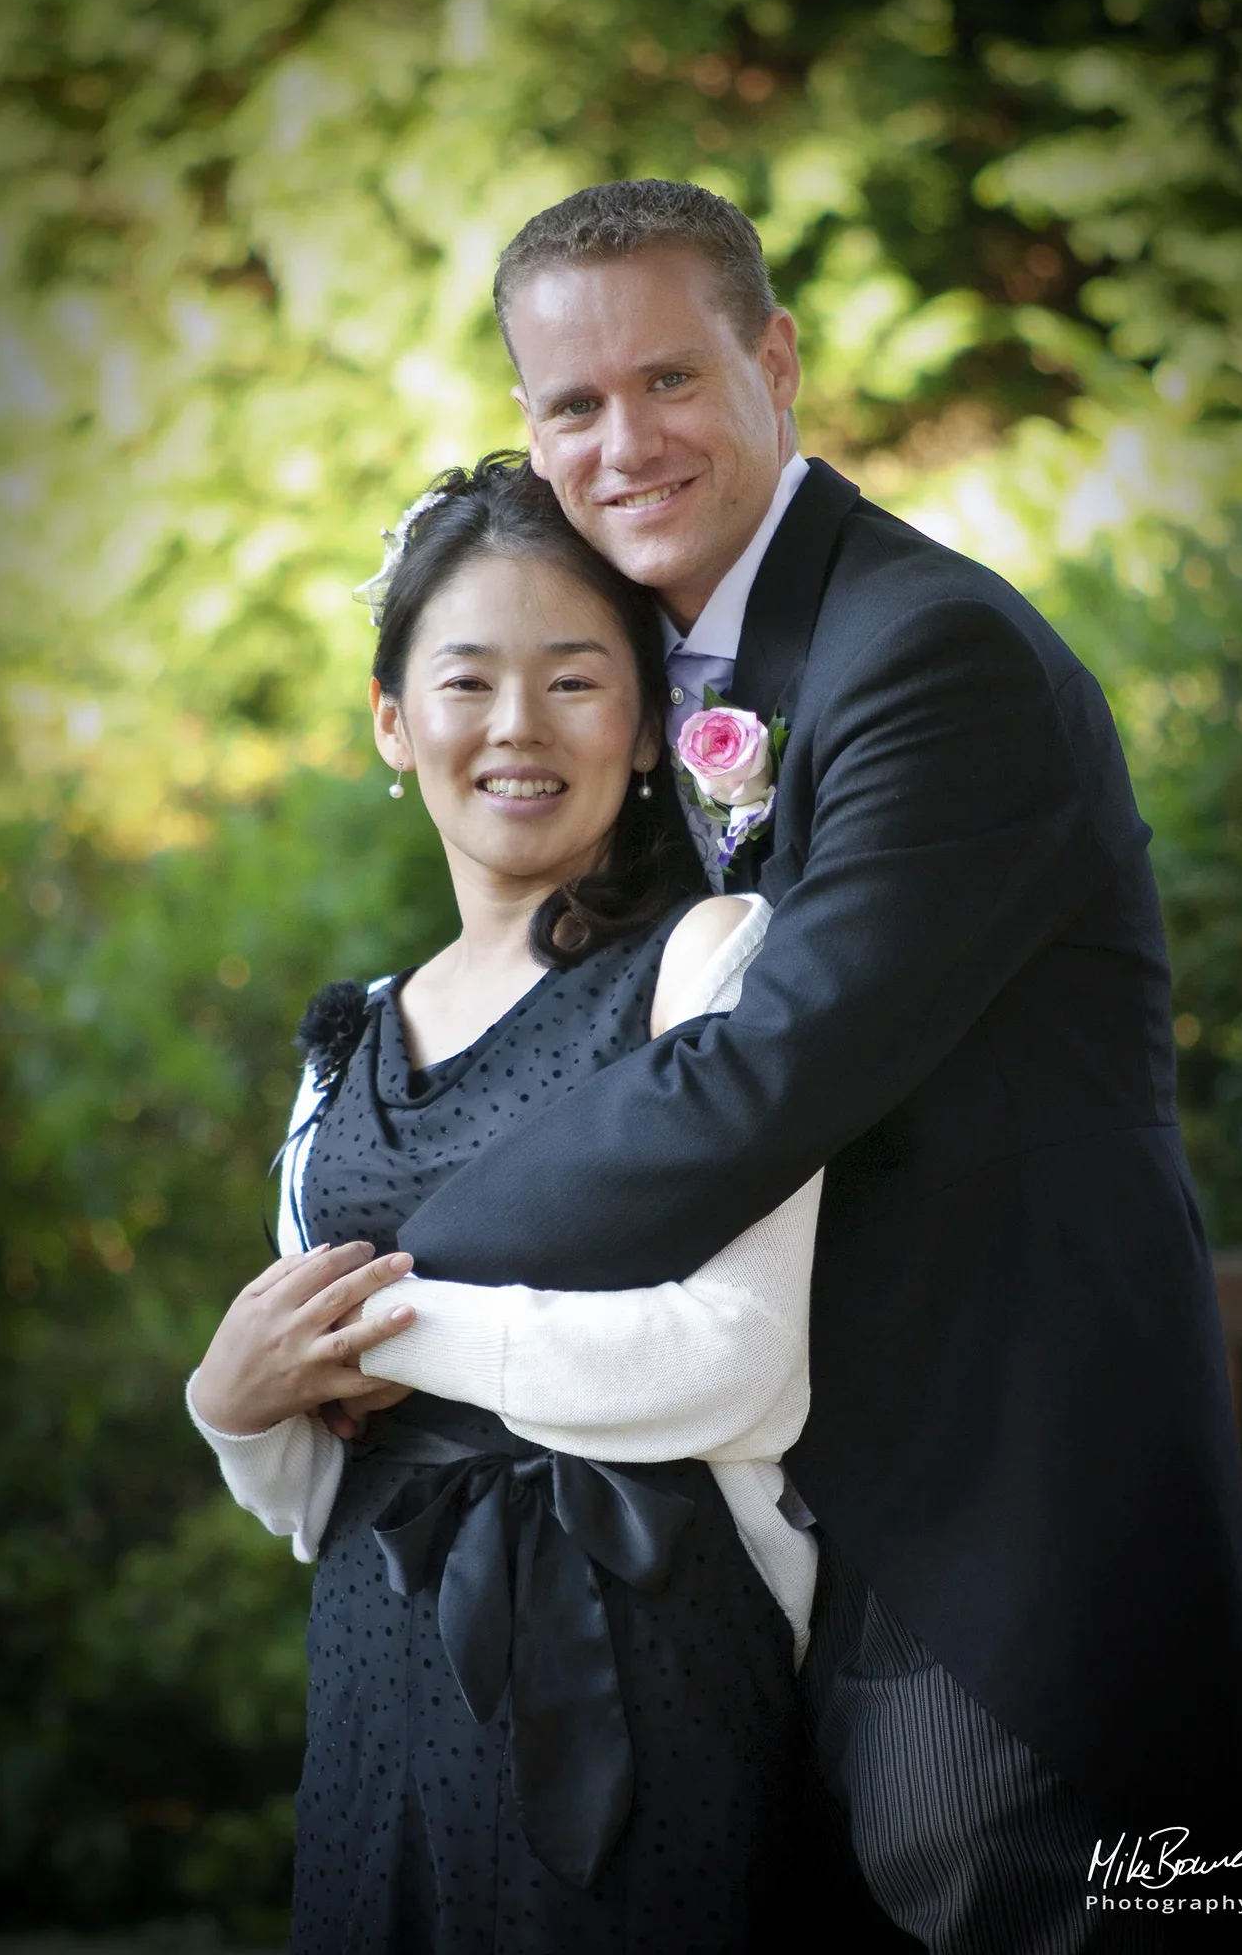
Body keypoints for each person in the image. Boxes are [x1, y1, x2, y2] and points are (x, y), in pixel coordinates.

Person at [345, 181, 1242, 1949]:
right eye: (572, 404)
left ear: (775, 361)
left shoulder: (930, 658)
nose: (623, 441)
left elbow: (764, 1075)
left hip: (996, 1508)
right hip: (777, 1525)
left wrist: (380, 1257)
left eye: (672, 381)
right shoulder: (655, 678)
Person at [188, 455, 839, 1954]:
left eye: (575, 678)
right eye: (468, 681)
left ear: (651, 719)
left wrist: (386, 1333)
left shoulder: (713, 966)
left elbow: (740, 1361)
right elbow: (308, 1486)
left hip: (645, 1647)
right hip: (377, 1666)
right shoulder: (345, 1036)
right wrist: (230, 1404)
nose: (519, 729)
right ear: (392, 721)